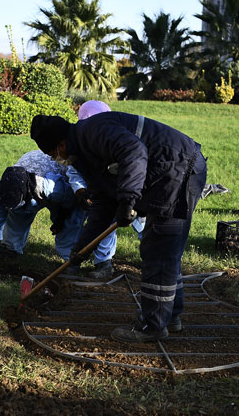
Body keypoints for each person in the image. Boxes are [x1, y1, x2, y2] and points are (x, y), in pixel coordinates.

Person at [30, 112, 207, 343]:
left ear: (61, 145)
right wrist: (80, 249)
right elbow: (102, 204)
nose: (56, 159)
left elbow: (134, 152)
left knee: (159, 248)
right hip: (170, 170)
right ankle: (169, 316)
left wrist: (127, 200)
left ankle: (153, 325)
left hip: (178, 168)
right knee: (164, 249)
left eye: (52, 154)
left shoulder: (94, 132)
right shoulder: (84, 154)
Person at [0, 149, 116, 276]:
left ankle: (76, 261)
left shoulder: (51, 187)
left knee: (70, 227)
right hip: (31, 180)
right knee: (17, 215)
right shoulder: (2, 190)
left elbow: (69, 201)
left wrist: (60, 220)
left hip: (63, 182)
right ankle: (11, 249)